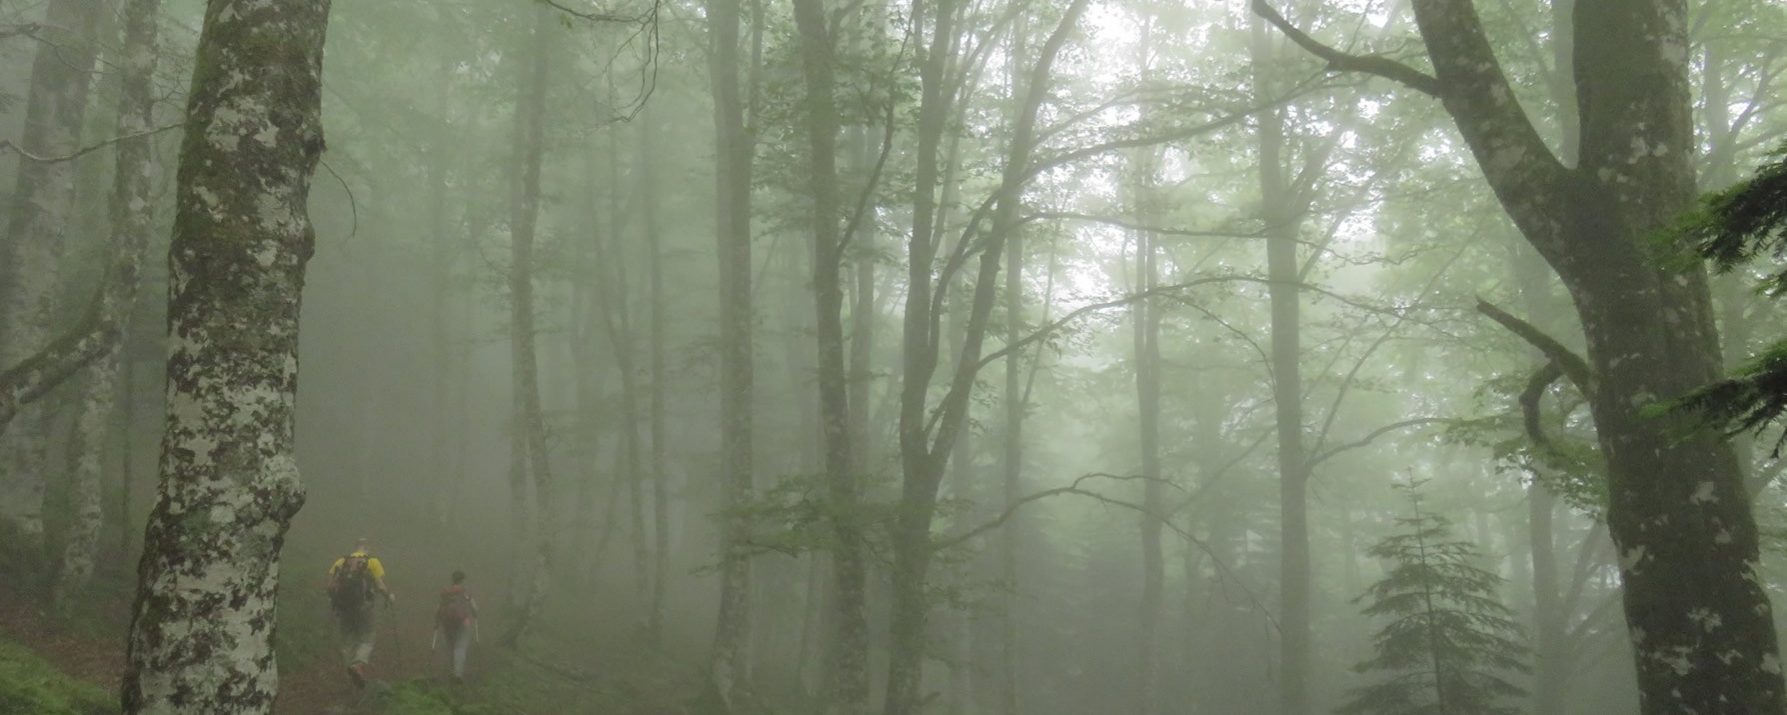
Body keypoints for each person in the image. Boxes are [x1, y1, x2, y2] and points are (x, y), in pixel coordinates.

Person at [325, 538, 394, 688]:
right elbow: (380, 584)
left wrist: (335, 603)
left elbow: (330, 585)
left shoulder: (342, 561)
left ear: (355, 547)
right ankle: (358, 665)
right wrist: (389, 595)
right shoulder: (372, 562)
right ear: (367, 547)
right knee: (367, 637)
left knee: (347, 639)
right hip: (364, 608)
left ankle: (349, 672)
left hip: (343, 608)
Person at [432, 570, 479, 682]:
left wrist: (437, 622)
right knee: (460, 647)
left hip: (447, 623)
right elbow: (475, 608)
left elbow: (438, 609)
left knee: (451, 647)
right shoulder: (465, 592)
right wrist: (475, 614)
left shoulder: (447, 593)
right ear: (462, 580)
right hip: (463, 623)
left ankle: (452, 671)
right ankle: (458, 674)